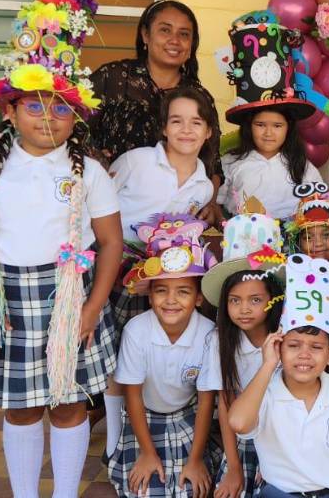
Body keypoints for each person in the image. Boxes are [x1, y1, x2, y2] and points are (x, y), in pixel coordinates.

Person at [0, 0, 123, 497]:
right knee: (21, 407)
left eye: (61, 108)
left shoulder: (90, 173)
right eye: (34, 105)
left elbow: (111, 243)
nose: (47, 116)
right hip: (9, 302)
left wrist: (92, 307)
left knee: (68, 403)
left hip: (71, 299)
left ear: (75, 118)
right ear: (9, 111)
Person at [100, 86, 217, 458]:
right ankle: (114, 440)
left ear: (208, 131)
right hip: (117, 271)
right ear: (164, 127)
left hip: (162, 281)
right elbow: (96, 201)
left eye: (196, 122)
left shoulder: (203, 183)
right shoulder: (136, 161)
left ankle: (147, 427)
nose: (186, 130)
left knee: (142, 350)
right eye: (176, 121)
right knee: (116, 356)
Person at [228, 252, 329, 497]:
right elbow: (239, 423)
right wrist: (268, 365)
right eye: (293, 345)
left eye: (316, 347)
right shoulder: (265, 392)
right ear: (278, 347)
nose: (304, 355)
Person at [108, 214, 219, 497]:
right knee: (143, 490)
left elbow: (206, 400)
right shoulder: (136, 331)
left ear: (198, 298)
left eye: (183, 292)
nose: (171, 300)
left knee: (190, 489)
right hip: (142, 416)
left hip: (188, 415)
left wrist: (195, 460)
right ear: (150, 295)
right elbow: (132, 396)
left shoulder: (209, 335)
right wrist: (147, 453)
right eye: (161, 291)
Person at [88, 0, 223, 224]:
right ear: (145, 35)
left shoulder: (197, 96)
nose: (175, 40)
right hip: (111, 208)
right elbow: (73, 127)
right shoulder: (113, 77)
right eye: (165, 30)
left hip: (171, 226)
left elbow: (213, 163)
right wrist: (97, 161)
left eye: (184, 34)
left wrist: (209, 202)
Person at [198, 196, 286, 498]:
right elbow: (225, 404)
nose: (244, 309)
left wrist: (277, 456)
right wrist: (234, 467)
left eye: (255, 300)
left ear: (273, 300)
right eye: (235, 300)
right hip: (241, 439)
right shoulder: (219, 341)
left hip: (284, 437)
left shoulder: (286, 337)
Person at [217, 9, 325, 221]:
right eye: (260, 125)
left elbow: (319, 207)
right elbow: (217, 206)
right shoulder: (230, 163)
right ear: (249, 126)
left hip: (291, 238)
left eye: (277, 126)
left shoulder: (302, 167)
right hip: (243, 237)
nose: (268, 133)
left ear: (288, 128)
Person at [284, 181, 329, 267]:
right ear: (298, 243)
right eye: (308, 237)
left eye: (326, 235)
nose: (318, 243)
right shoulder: (290, 272)